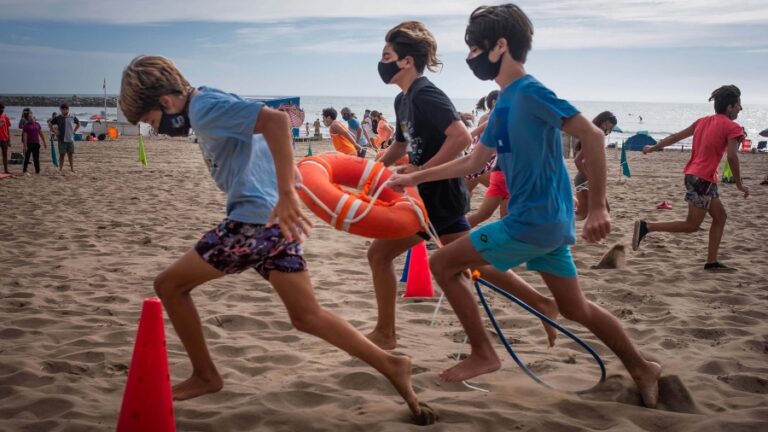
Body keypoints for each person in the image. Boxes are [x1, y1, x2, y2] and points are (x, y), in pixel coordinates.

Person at [118, 55, 435, 424]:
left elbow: (277, 121)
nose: (157, 130)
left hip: (251, 223)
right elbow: (264, 132)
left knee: (169, 286)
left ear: (167, 103)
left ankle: (206, 374)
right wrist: (281, 192)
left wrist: (286, 191)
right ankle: (392, 365)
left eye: (152, 121)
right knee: (307, 316)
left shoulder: (203, 108)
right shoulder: (209, 99)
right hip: (272, 224)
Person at [389, 4, 661, 408]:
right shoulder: (504, 102)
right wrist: (413, 177)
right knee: (576, 308)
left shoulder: (531, 92)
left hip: (532, 222)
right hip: (544, 223)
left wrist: (600, 206)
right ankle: (642, 367)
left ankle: (483, 353)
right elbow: (472, 162)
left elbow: (593, 136)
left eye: (474, 48)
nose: (469, 57)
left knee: (442, 264)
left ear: (500, 45)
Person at [367, 20, 558, 352]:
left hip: (439, 195)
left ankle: (387, 333)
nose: (381, 63)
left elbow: (458, 136)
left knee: (384, 254)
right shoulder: (403, 101)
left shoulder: (426, 93)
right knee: (469, 260)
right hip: (426, 195)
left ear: (406, 61)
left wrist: (421, 171)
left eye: (387, 55)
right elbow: (400, 145)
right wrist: (372, 171)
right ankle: (540, 303)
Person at [633, 85, 749, 272]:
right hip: (702, 179)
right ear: (729, 107)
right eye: (738, 105)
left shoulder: (702, 121)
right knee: (691, 225)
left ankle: (712, 262)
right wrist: (739, 183)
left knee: (720, 217)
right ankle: (647, 227)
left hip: (696, 177)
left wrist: (652, 148)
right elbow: (732, 157)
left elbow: (675, 137)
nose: (740, 109)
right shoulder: (733, 127)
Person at [574, 111, 617, 220]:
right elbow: (578, 160)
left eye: (611, 128)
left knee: (582, 214)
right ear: (603, 121)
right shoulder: (593, 135)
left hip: (588, 179)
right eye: (608, 125)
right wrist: (590, 179)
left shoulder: (594, 134)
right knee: (586, 214)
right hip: (586, 180)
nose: (609, 129)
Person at [50, 103, 80, 173]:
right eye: (62, 109)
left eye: (66, 109)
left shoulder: (72, 117)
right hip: (61, 139)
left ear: (68, 109)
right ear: (60, 110)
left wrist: (74, 131)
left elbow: (78, 123)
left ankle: (72, 169)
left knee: (70, 154)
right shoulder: (58, 118)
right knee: (62, 154)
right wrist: (55, 131)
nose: (64, 111)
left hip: (70, 139)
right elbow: (50, 124)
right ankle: (60, 169)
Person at [0, 103, 11, 173]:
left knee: (5, 154)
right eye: (1, 109)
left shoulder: (5, 117)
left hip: (4, 139)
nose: (2, 110)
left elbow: (7, 128)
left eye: (3, 109)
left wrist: (9, 139)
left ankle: (6, 170)